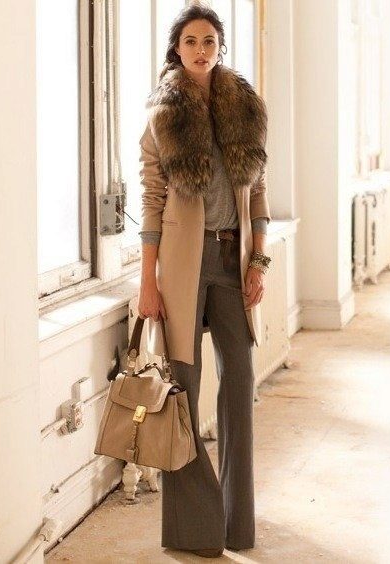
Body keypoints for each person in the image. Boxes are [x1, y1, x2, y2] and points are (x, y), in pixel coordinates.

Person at [137, 4, 272, 558]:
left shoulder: (245, 107)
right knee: (183, 394)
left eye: (209, 40)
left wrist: (259, 261)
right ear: (177, 48)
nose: (200, 49)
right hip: (181, 265)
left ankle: (238, 525)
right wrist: (148, 282)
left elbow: (258, 190)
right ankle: (197, 527)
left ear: (220, 47)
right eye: (190, 40)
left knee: (239, 381)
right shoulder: (163, 113)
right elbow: (151, 200)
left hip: (231, 261)